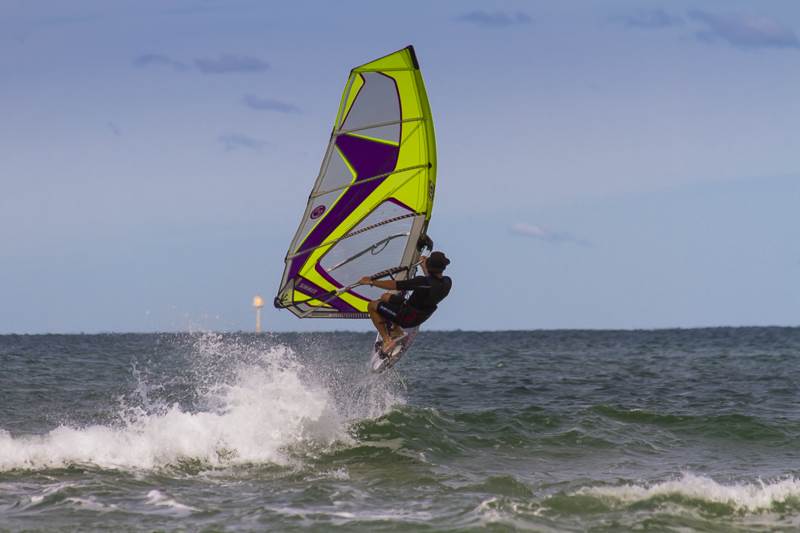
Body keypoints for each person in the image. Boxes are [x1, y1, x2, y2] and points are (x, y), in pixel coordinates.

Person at [360, 251, 452, 354]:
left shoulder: (422, 282)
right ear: (444, 267)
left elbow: (395, 285)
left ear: (429, 266)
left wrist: (371, 282)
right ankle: (395, 329)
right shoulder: (447, 282)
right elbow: (431, 281)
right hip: (420, 314)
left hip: (407, 317)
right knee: (386, 297)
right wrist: (424, 266)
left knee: (372, 305)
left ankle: (387, 340)